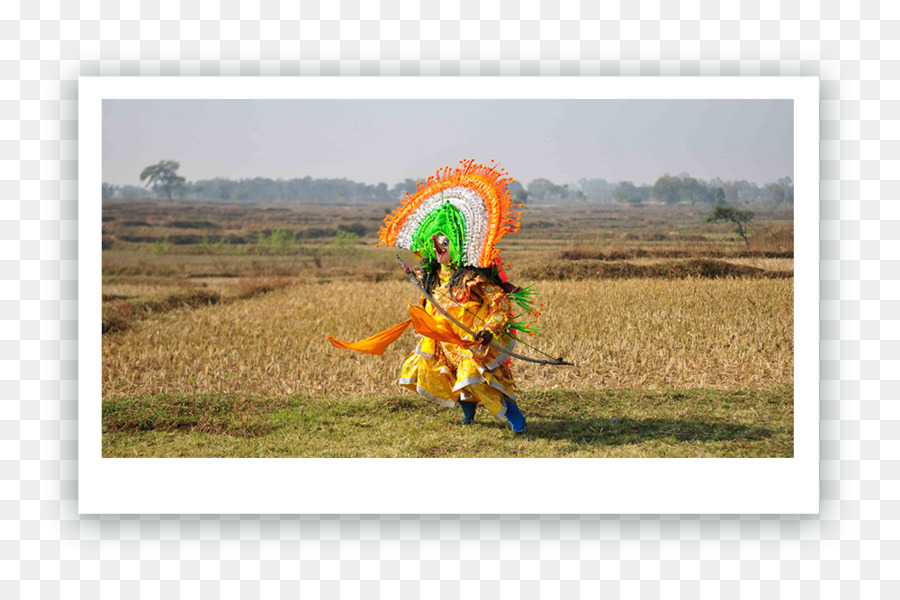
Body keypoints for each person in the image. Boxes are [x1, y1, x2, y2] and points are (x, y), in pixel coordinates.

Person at [328, 159, 538, 433]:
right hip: (444, 339)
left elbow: (501, 306)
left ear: (458, 242)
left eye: (446, 243)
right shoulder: (432, 276)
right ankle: (468, 413)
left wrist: (487, 332)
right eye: (435, 242)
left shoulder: (473, 277)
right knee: (436, 368)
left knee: (473, 374)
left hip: (471, 341)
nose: (439, 249)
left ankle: (514, 417)